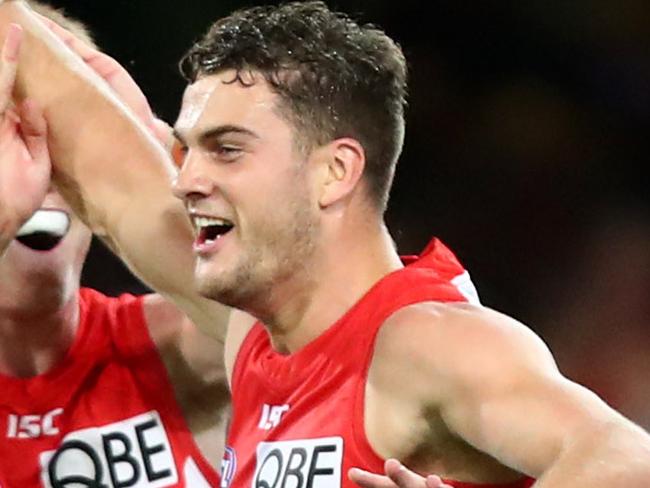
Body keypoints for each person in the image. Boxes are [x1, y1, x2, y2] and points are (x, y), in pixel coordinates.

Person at [1, 1, 650, 487]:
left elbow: (626, 459)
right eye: (192, 149)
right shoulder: (253, 340)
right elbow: (113, 184)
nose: (189, 179)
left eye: (227, 150)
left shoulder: (423, 342)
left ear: (333, 172)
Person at [0, 3, 228, 486]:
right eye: (9, 142)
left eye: (56, 145)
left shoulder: (180, 349)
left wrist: (156, 161)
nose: (37, 179)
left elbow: (328, 322)